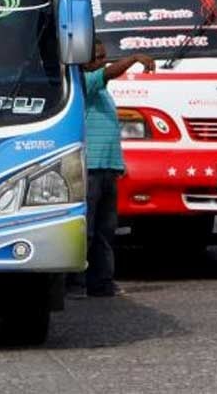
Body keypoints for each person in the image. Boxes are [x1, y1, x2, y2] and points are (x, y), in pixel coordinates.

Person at [68, 40, 156, 298]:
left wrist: (118, 165)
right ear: (82, 62)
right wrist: (135, 57)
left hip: (106, 169)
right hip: (91, 169)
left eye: (104, 57)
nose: (102, 62)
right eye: (96, 58)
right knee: (87, 231)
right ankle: (76, 283)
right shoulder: (85, 84)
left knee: (106, 230)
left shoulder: (101, 91)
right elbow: (108, 73)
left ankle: (102, 282)